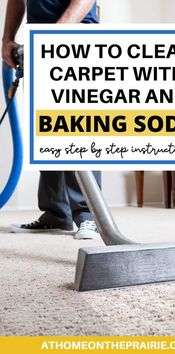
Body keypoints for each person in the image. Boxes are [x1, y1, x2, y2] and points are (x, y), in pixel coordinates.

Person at [2, 0, 101, 240]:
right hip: (40, 37)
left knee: (76, 126)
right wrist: (7, 39)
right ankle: (56, 213)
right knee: (47, 127)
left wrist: (60, 29)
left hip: (75, 34)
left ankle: (90, 216)